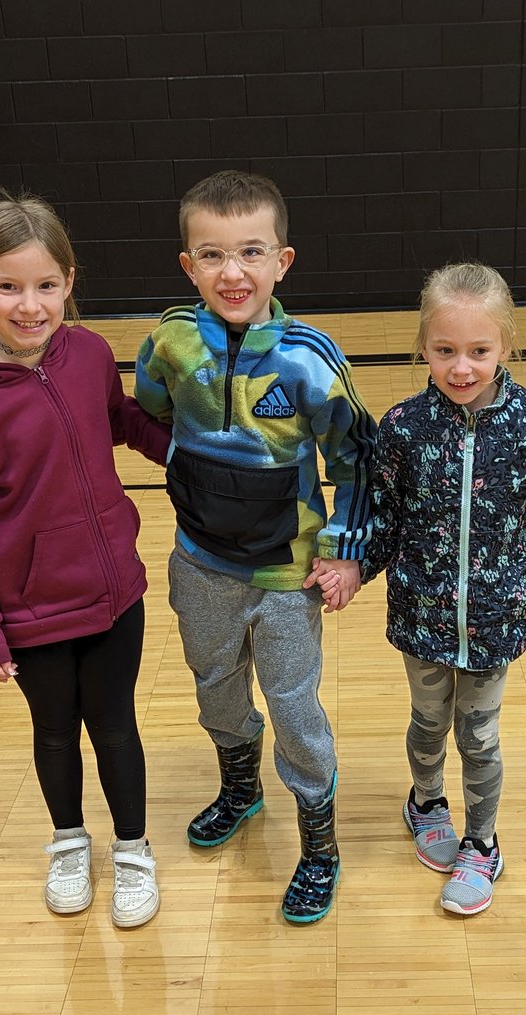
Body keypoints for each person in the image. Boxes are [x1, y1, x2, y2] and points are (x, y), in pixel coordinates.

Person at [134, 169, 375, 924]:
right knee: (215, 685)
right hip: (200, 562)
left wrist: (345, 550)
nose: (231, 272)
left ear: (282, 261)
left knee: (294, 707)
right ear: (188, 266)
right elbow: (151, 410)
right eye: (211, 255)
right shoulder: (170, 342)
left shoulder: (309, 359)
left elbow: (357, 459)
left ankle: (319, 845)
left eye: (250, 252)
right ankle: (240, 788)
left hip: (286, 573)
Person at [0, 193, 171, 928]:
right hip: (30, 610)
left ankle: (132, 850)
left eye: (45, 285)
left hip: (114, 592)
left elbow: (118, 419)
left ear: (69, 279)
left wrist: (185, 452)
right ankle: (70, 842)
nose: (30, 305)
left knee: (117, 726)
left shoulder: (89, 353)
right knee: (55, 731)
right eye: (8, 286)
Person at [357, 261, 526, 916]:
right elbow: (380, 518)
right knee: (429, 721)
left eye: (479, 351)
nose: (461, 367)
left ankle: (482, 843)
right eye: (445, 351)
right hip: (422, 617)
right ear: (423, 347)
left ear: (506, 346)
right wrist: (347, 569)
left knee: (479, 734)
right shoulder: (403, 426)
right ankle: (426, 801)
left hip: (495, 619)